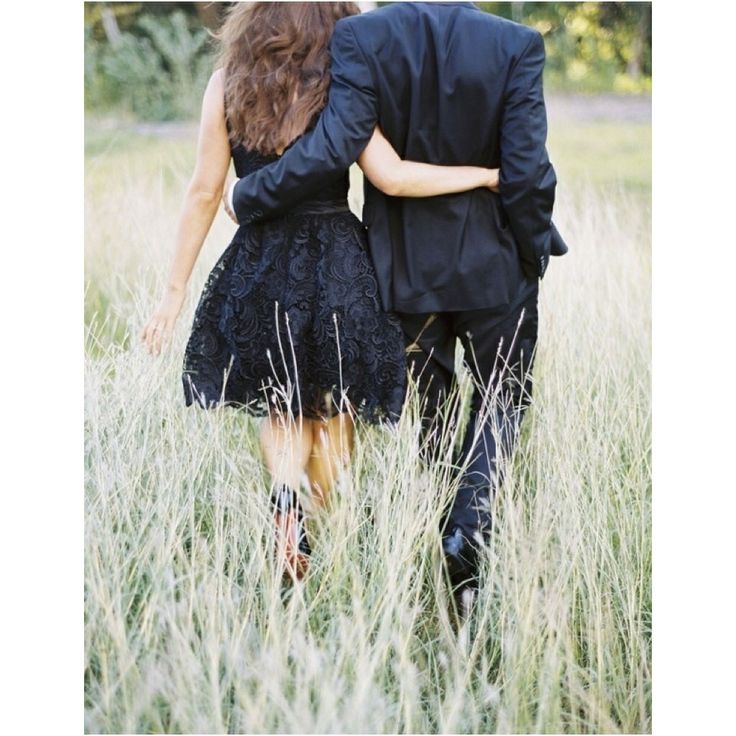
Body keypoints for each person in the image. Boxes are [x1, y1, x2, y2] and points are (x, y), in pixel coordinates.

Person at [140, 2, 506, 581]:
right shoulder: (343, 84)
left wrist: (173, 291)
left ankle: (286, 503)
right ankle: (314, 518)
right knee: (335, 410)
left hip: (261, 263)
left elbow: (204, 191)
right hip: (339, 260)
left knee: (283, 403)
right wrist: (485, 175)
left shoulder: (226, 82)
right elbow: (393, 175)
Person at [224, 1, 569, 604]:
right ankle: (466, 530)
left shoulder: (361, 38)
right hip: (496, 266)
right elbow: (528, 170)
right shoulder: (517, 44)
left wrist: (251, 192)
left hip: (406, 269)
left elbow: (334, 146)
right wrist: (532, 247)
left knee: (432, 406)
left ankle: (436, 523)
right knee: (502, 396)